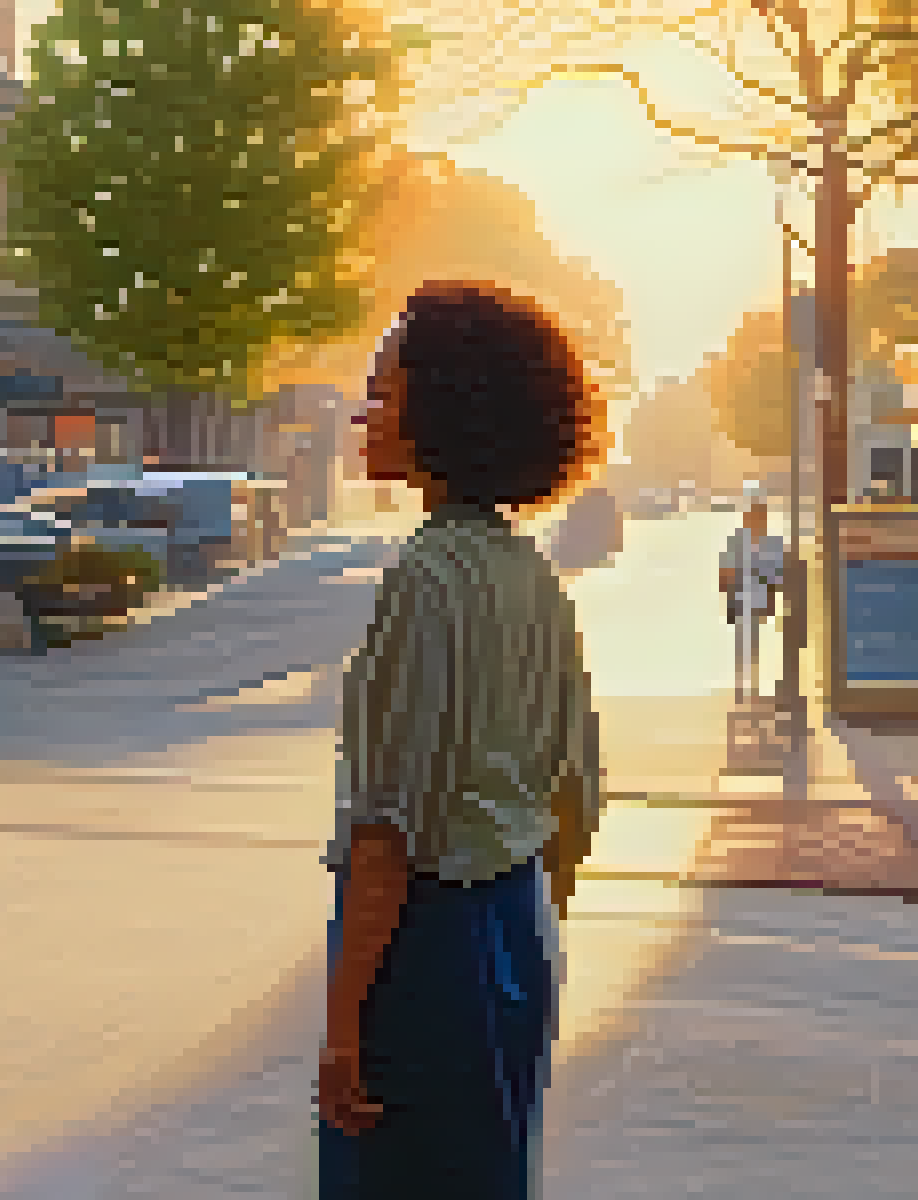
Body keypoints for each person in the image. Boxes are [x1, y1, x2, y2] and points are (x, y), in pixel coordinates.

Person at [324, 280, 605, 1198]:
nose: (363, 410)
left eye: (383, 387)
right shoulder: (533, 575)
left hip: (426, 946)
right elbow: (578, 797)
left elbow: (386, 832)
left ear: (440, 406)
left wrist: (341, 1024)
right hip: (518, 925)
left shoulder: (425, 577)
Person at [719, 500, 786, 702]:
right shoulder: (738, 540)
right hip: (741, 594)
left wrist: (774, 593)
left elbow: (778, 573)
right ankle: (745, 681)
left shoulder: (771, 543)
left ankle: (749, 681)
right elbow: (726, 569)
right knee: (745, 638)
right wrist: (726, 591)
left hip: (760, 595)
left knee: (752, 639)